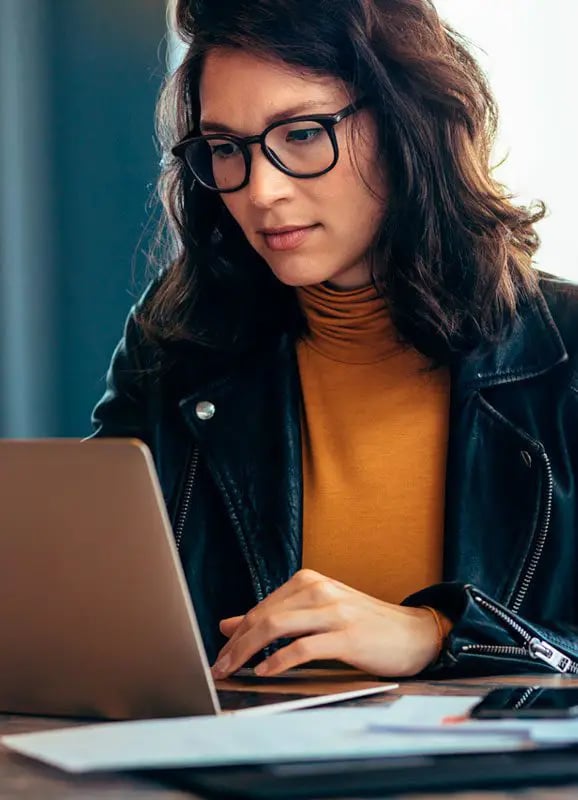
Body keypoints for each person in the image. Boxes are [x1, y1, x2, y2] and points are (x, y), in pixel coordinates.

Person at [91, 0, 578, 681]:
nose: (262, 190)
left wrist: (437, 633)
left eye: (301, 134)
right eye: (227, 149)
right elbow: (85, 603)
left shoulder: (566, 350)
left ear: (406, 123)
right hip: (233, 773)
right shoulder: (178, 342)